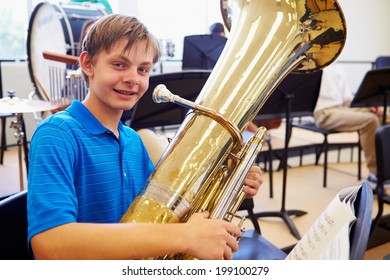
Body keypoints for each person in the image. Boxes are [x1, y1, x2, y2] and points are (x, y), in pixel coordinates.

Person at [27, 14, 263, 260]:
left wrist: (229, 184)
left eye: (143, 69)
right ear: (88, 64)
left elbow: (162, 216)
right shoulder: (57, 134)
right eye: (119, 64)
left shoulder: (133, 141)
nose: (132, 78)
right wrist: (186, 236)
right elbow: (50, 245)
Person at [313, 62, 388, 184]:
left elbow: (347, 100)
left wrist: (367, 106)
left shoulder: (337, 67)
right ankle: (375, 174)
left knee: (383, 113)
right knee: (370, 120)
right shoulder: (313, 66)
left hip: (342, 108)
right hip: (324, 112)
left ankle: (386, 165)